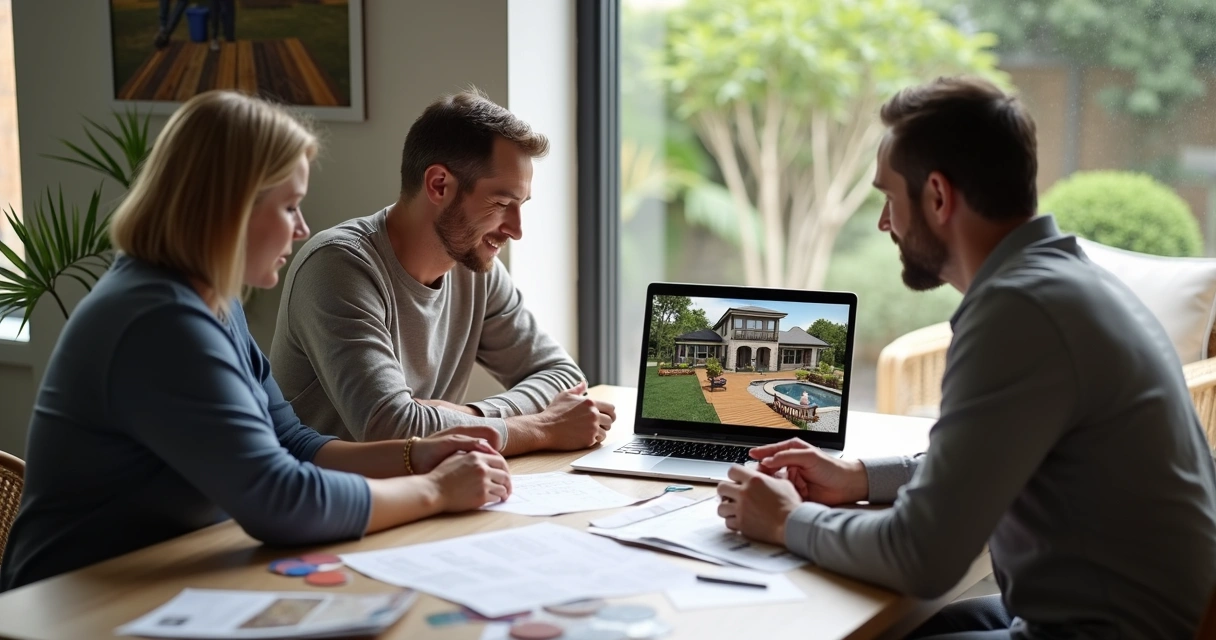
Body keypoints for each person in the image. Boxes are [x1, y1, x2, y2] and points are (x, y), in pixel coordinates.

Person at [715, 76, 1216, 639]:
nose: (885, 224)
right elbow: (986, 458)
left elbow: (921, 557)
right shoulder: (1062, 281)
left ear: (936, 196)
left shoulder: (1018, 312)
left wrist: (787, 520)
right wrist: (858, 478)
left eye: (888, 198)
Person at [0, 91, 512, 592]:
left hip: (167, 576)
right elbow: (280, 500)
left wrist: (414, 454)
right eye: (290, 206)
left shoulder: (210, 300)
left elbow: (293, 442)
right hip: (76, 602)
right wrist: (435, 490)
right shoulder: (159, 320)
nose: (301, 229)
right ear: (230, 208)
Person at [270, 89, 615, 456]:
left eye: (521, 205)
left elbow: (565, 377)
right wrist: (541, 428)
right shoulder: (338, 267)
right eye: (501, 203)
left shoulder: (475, 269)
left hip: (431, 490)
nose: (516, 230)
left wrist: (473, 414)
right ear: (439, 185)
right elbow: (392, 428)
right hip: (334, 503)